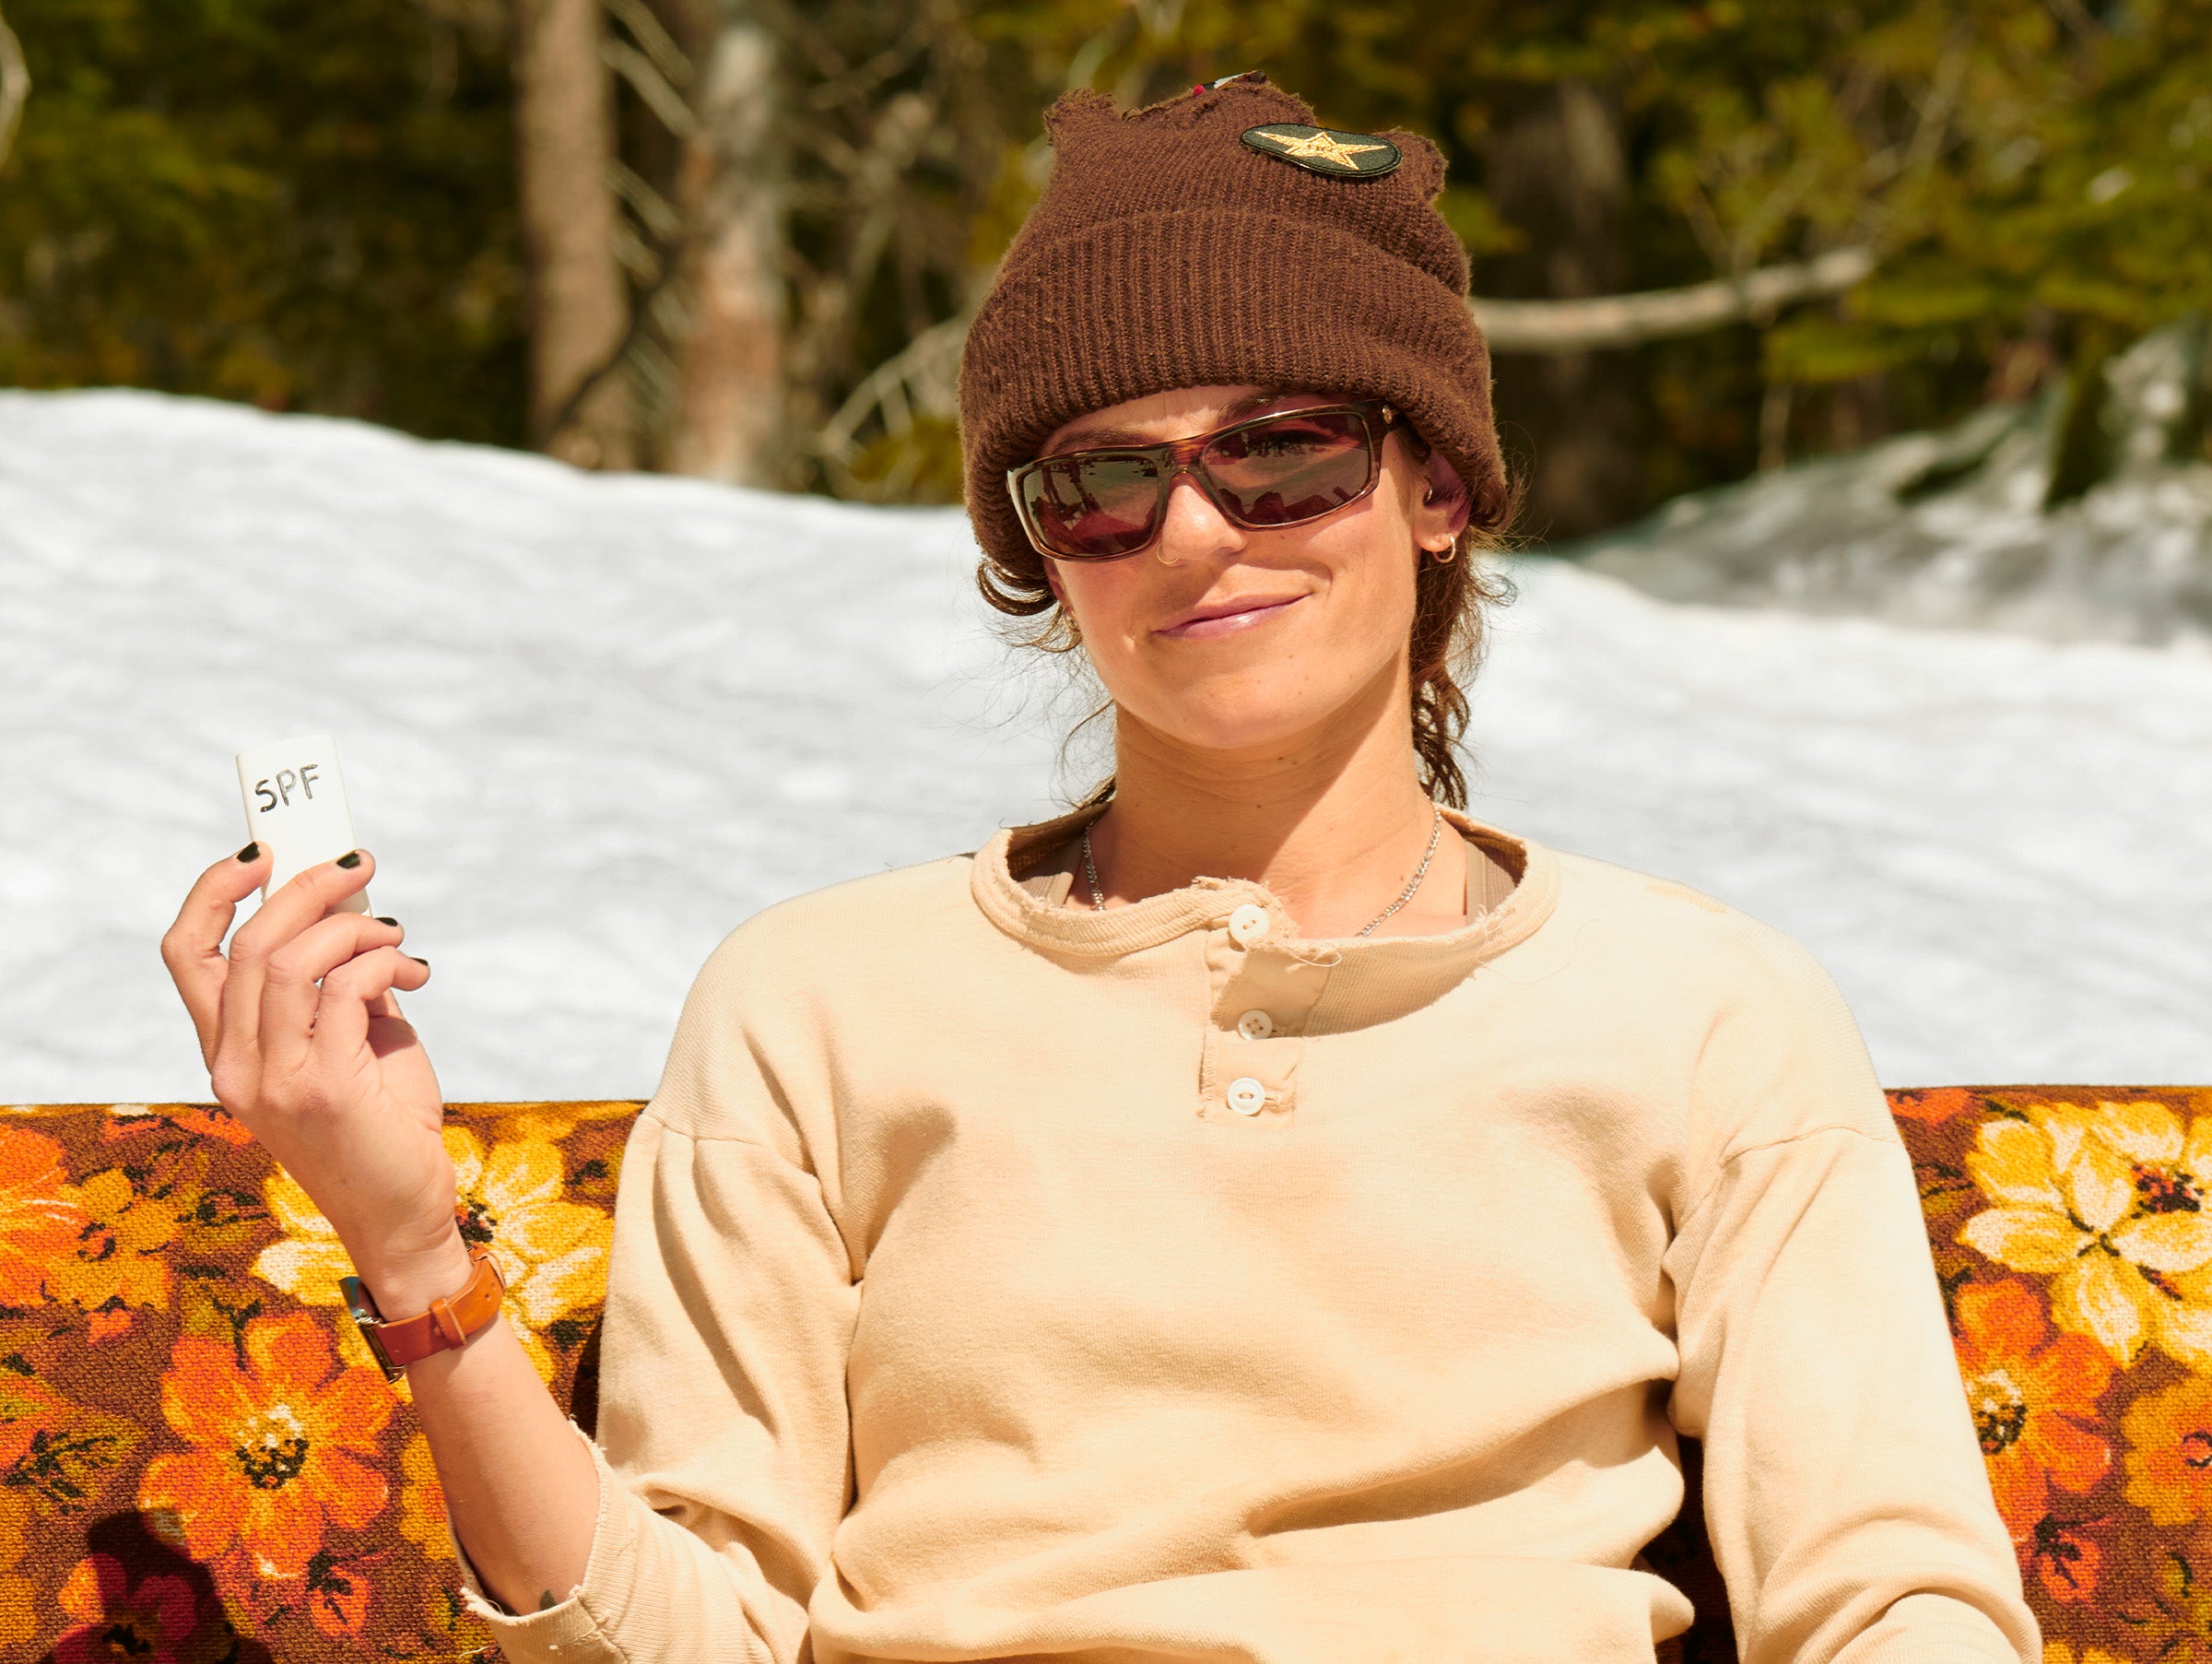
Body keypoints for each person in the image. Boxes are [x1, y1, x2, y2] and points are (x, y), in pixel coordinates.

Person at [160, 76, 2038, 1664]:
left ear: (1439, 484)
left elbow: (1890, 1598)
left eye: (1286, 454)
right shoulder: (820, 1005)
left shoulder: (1700, 1016)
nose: (1196, 534)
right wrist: (409, 1246)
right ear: (1042, 552)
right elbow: (697, 1627)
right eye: (1101, 485)